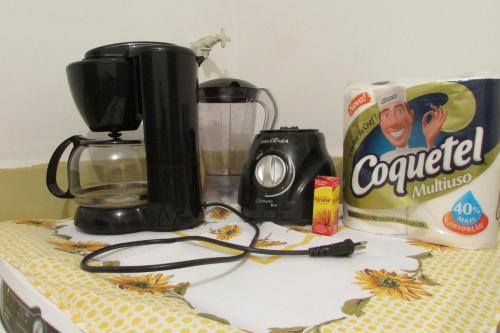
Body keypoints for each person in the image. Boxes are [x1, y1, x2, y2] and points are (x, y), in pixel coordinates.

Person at [376, 85, 447, 162]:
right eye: (386, 115)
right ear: (380, 123)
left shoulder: (422, 152)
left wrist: (429, 141)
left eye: (399, 111)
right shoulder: (383, 159)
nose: (394, 123)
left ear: (411, 115)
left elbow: (437, 167)